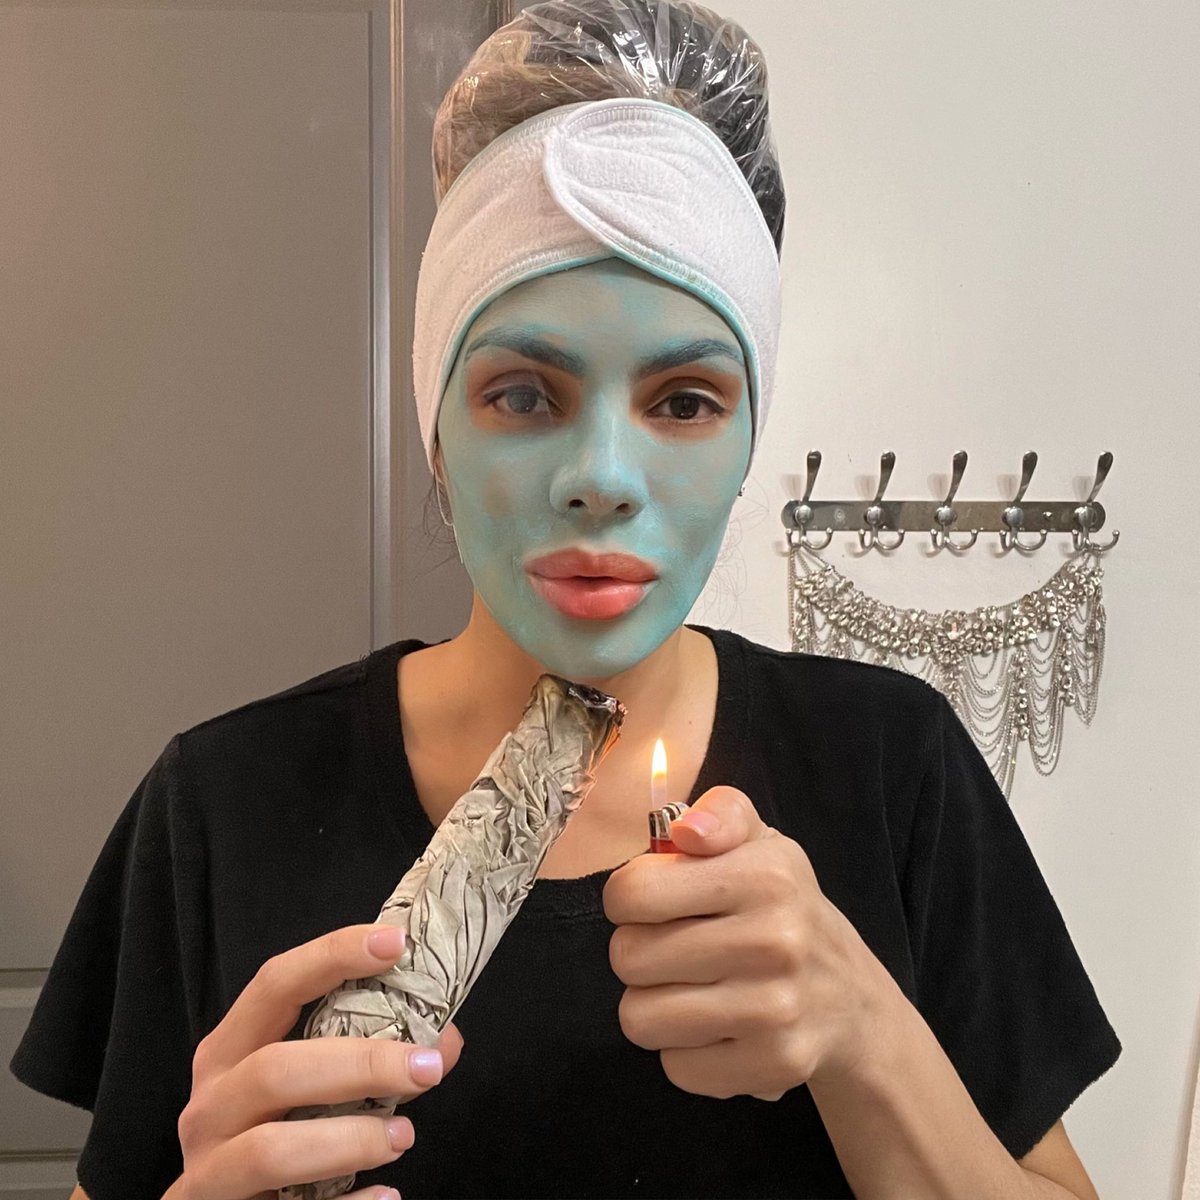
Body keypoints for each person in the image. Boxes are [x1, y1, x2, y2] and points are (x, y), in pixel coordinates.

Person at [11, 3, 1121, 1199]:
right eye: (524, 395)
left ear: (747, 441)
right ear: (437, 426)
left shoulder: (893, 770)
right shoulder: (225, 805)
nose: (602, 478)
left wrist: (865, 1032)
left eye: (684, 401)